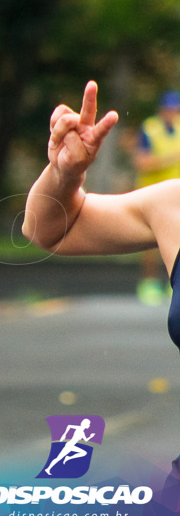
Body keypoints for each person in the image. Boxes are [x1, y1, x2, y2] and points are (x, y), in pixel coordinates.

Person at [23, 80, 180, 349]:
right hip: (153, 188)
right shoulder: (171, 201)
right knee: (153, 251)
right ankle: (152, 284)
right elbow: (49, 232)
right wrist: (64, 175)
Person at [131, 90, 180, 305]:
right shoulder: (150, 128)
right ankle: (149, 283)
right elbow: (142, 161)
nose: (173, 113)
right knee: (151, 243)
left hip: (175, 195)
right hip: (151, 193)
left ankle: (174, 284)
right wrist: (168, 159)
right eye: (169, 109)